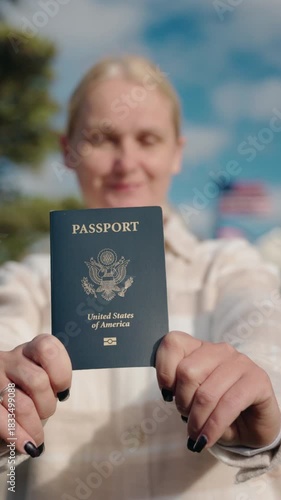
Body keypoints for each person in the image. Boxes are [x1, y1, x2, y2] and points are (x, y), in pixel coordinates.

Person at [0, 55, 281, 500]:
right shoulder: (25, 282)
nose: (126, 162)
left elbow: (270, 348)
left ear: (177, 153)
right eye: (102, 139)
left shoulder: (230, 267)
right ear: (67, 150)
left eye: (147, 139)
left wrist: (262, 402)